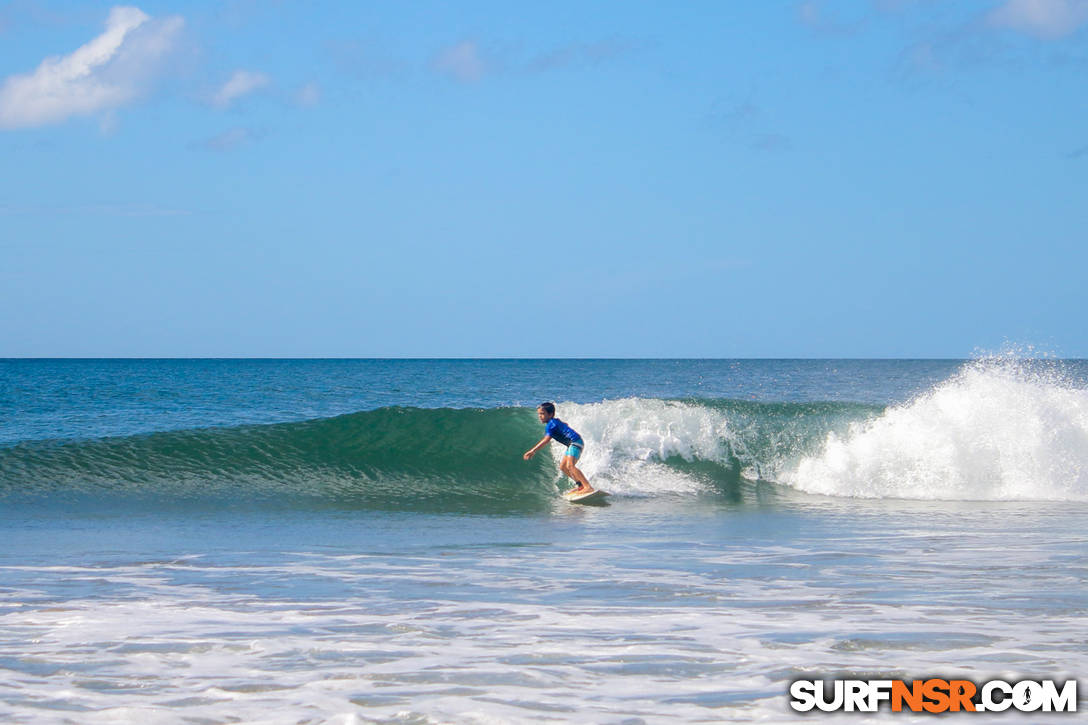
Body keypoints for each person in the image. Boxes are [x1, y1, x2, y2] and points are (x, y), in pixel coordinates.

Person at [523, 402, 595, 495]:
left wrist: (532, 451)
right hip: (573, 443)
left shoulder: (551, 425)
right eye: (539, 414)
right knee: (563, 467)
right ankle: (580, 486)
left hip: (575, 442)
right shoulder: (554, 422)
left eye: (542, 414)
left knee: (570, 466)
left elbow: (546, 440)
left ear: (551, 414)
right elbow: (565, 424)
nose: (540, 416)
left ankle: (587, 487)